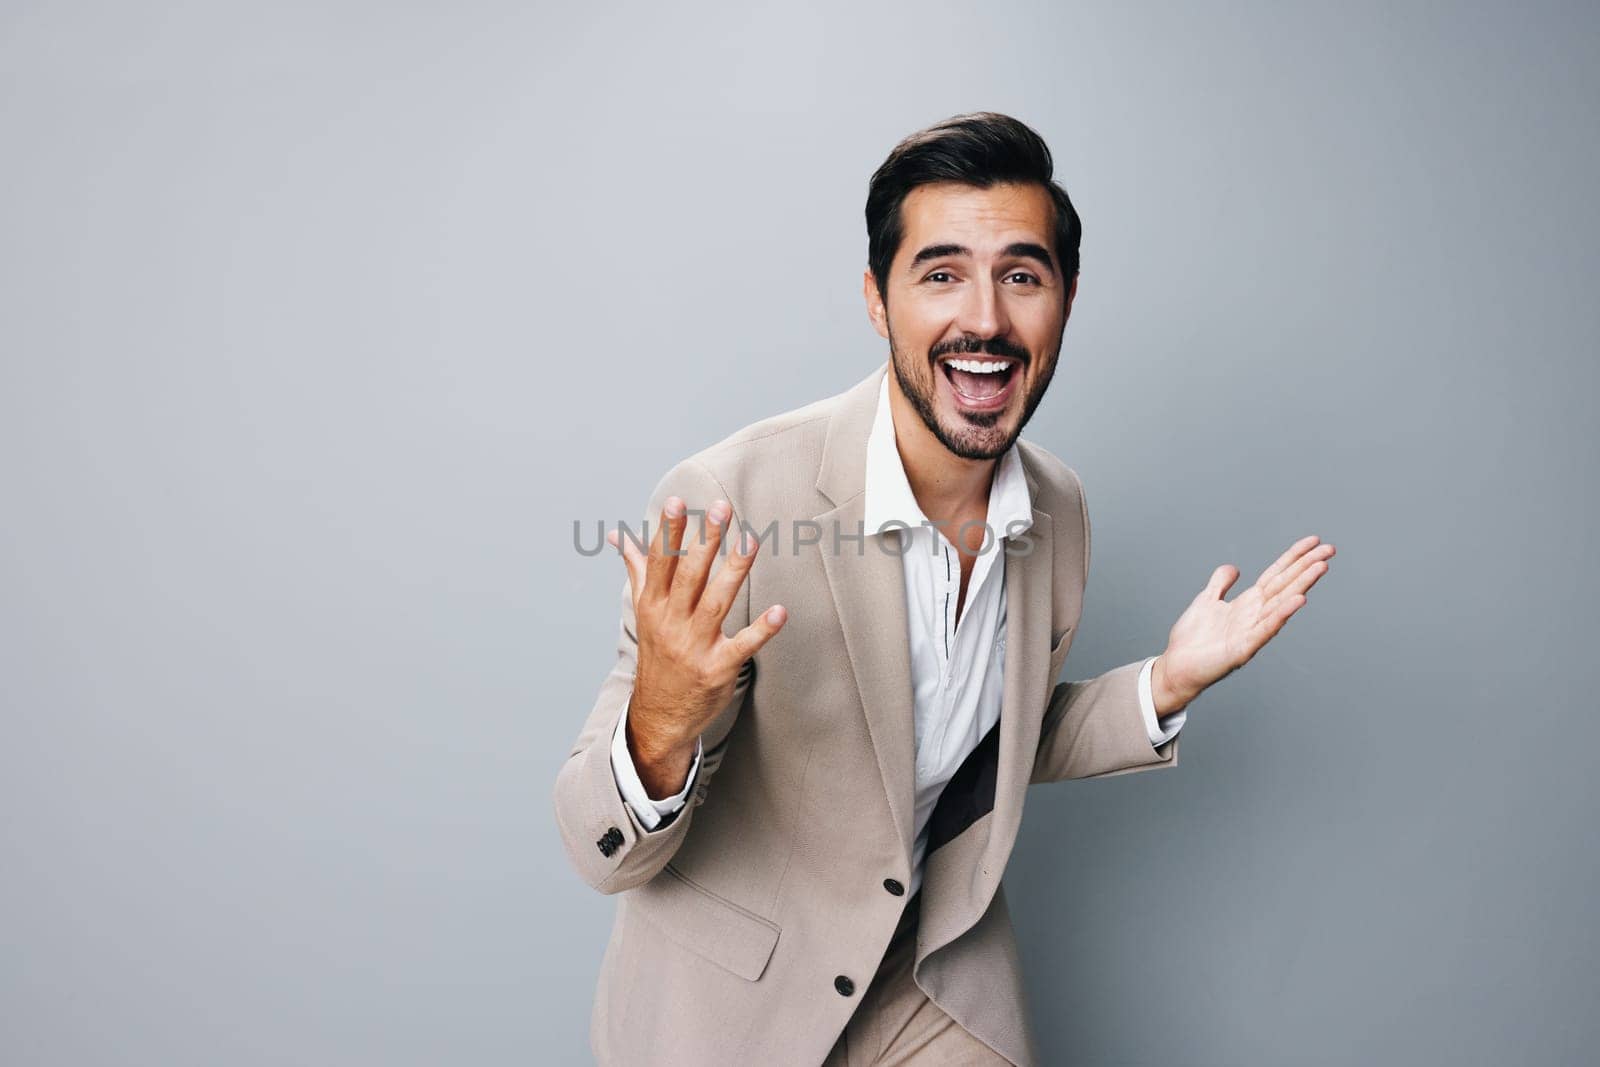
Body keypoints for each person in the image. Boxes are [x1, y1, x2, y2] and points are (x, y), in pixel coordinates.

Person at [553, 111, 1334, 1066]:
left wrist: (1166, 683)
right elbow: (600, 847)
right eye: (940, 274)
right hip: (733, 1011)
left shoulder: (1058, 507)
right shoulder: (732, 501)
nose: (986, 320)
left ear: (1067, 298)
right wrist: (662, 721)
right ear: (878, 301)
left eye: (1021, 274)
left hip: (928, 978)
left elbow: (985, 742)